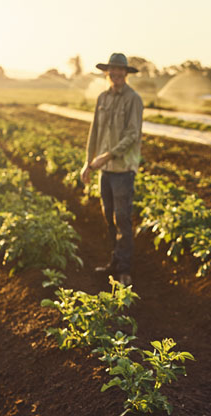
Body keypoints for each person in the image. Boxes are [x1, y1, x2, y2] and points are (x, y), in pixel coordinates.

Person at [80, 52, 143, 285]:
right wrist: (88, 162)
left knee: (123, 219)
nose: (115, 74)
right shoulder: (102, 98)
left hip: (123, 170)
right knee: (109, 219)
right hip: (105, 172)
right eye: (112, 70)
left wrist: (105, 157)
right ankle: (114, 263)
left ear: (126, 73)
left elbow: (132, 135)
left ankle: (125, 270)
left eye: (120, 70)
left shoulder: (133, 99)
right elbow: (94, 132)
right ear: (107, 72)